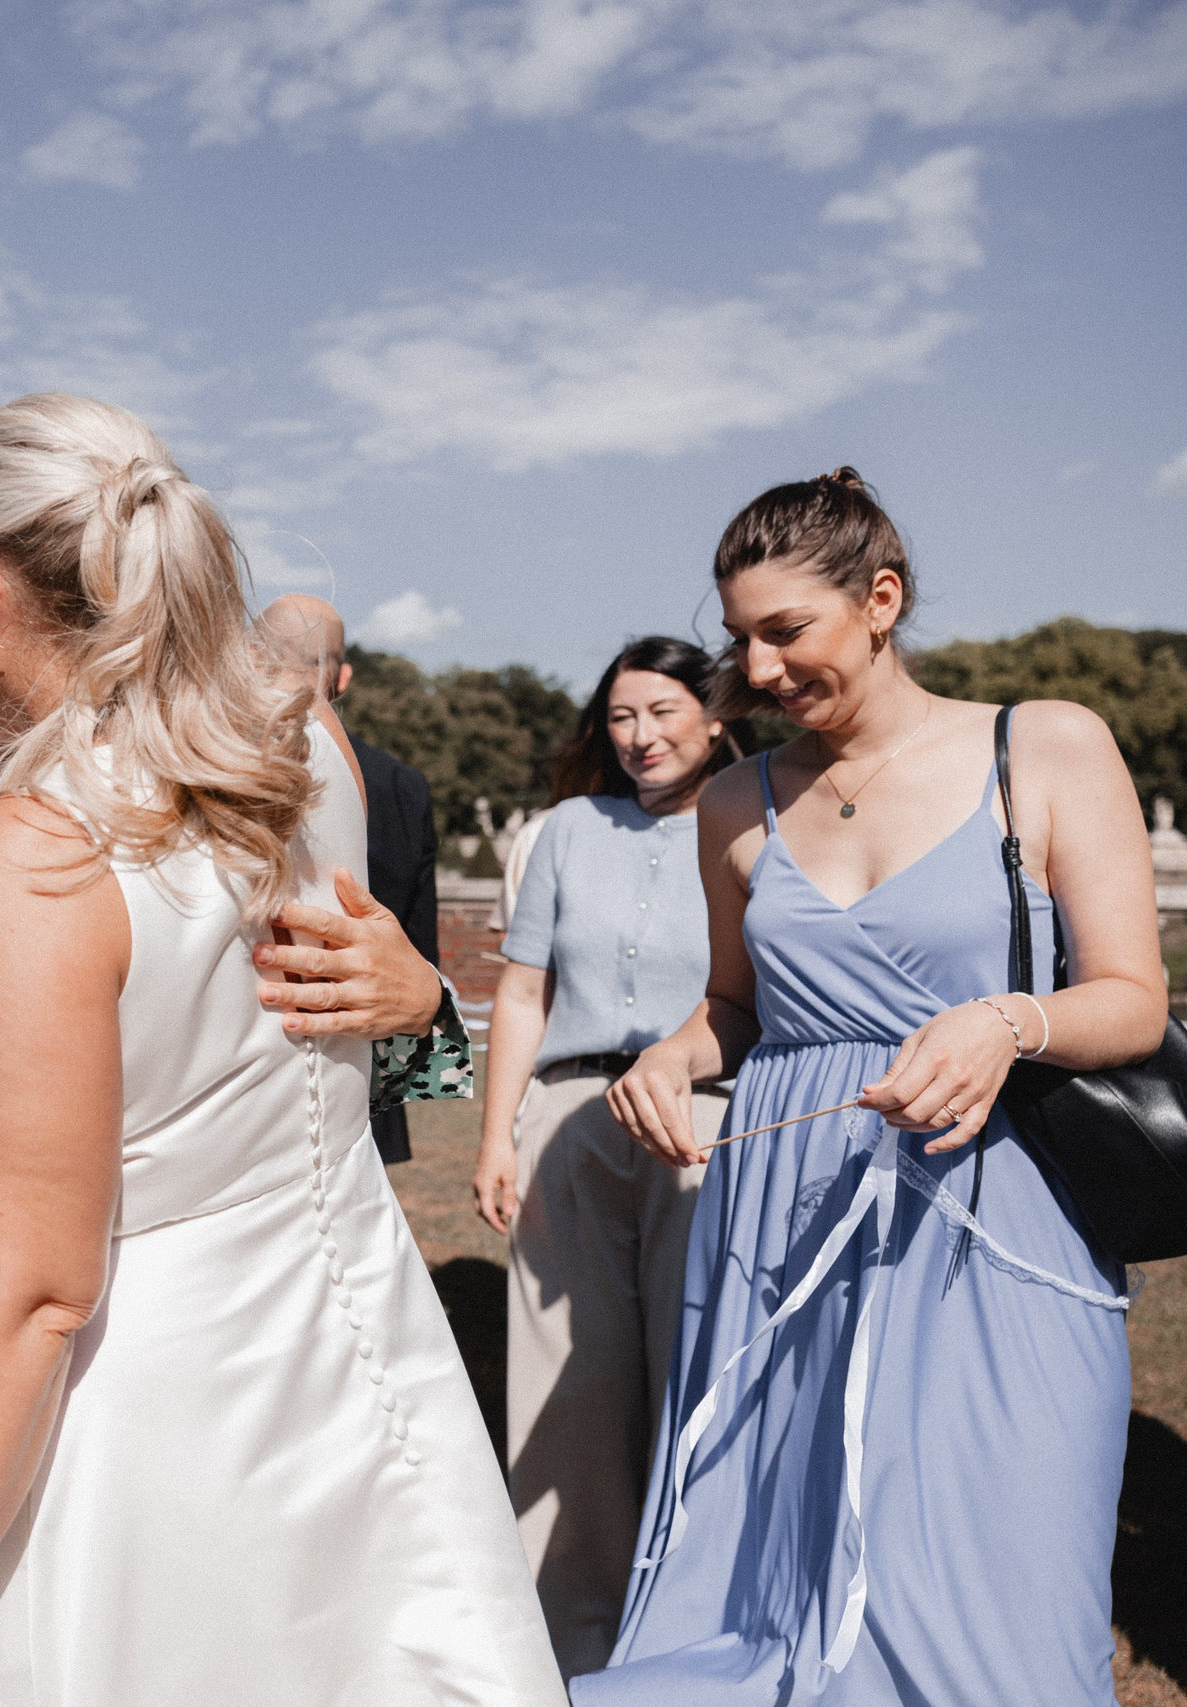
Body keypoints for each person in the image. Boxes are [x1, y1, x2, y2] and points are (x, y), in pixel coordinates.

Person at [0, 395, 561, 1707]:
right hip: (364, 1361)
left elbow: (34, 1297)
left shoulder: (38, 853)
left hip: (156, 1428)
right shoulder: (302, 748)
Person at [581, 470, 1168, 1703]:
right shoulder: (734, 799)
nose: (756, 665)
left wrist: (1008, 1020)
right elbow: (735, 1008)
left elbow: (1130, 998)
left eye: (784, 630)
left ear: (880, 599)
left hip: (996, 1222)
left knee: (997, 1590)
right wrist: (670, 1054)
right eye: (738, 637)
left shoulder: (1043, 742)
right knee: (769, 1591)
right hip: (778, 1229)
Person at [468, 636, 745, 1677]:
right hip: (567, 1122)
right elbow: (525, 992)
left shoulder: (754, 817)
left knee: (696, 1376)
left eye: (664, 713)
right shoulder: (567, 831)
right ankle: (567, 1649)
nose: (641, 736)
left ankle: (684, 1636)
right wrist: (499, 1132)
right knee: (568, 1395)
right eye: (623, 717)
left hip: (704, 1125)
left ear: (714, 717)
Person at [254, 594, 439, 1162]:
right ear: (345, 676)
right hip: (361, 1071)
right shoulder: (402, 787)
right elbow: (417, 954)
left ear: (250, 661)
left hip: (245, 1070)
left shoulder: (197, 763)